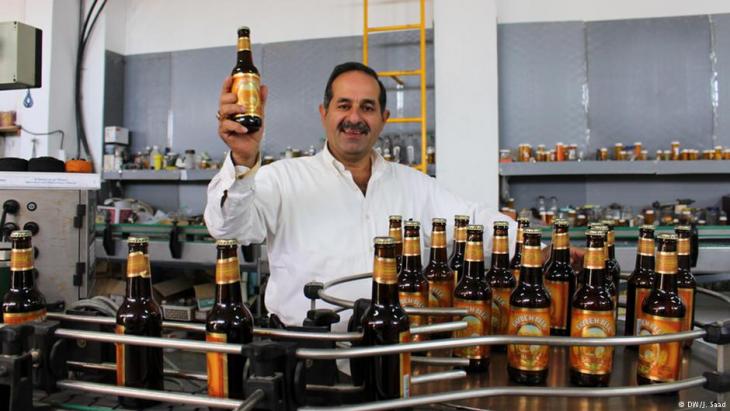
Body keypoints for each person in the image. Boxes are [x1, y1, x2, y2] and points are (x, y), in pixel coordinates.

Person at [205, 61, 517, 328]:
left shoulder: (416, 186)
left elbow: (476, 221)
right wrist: (243, 160)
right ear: (323, 112)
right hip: (308, 356)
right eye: (344, 105)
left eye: (367, 107)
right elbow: (227, 229)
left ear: (384, 117)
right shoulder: (281, 179)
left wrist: (537, 249)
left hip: (393, 353)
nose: (354, 118)